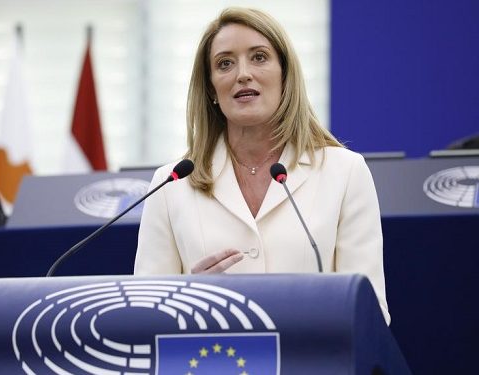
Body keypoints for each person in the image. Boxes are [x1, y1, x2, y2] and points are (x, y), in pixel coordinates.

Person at [134, 7, 390, 324]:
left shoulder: (345, 171)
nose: (243, 73)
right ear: (212, 89)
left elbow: (371, 312)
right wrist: (190, 297)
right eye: (225, 64)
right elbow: (146, 320)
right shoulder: (171, 184)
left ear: (285, 75)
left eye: (259, 57)